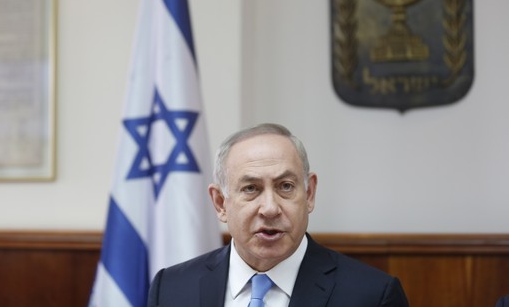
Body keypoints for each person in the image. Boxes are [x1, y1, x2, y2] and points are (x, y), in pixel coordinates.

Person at [148, 123, 409, 306]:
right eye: (251, 189)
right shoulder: (172, 289)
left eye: (286, 186)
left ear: (309, 194)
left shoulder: (372, 296)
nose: (270, 208)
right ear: (220, 203)